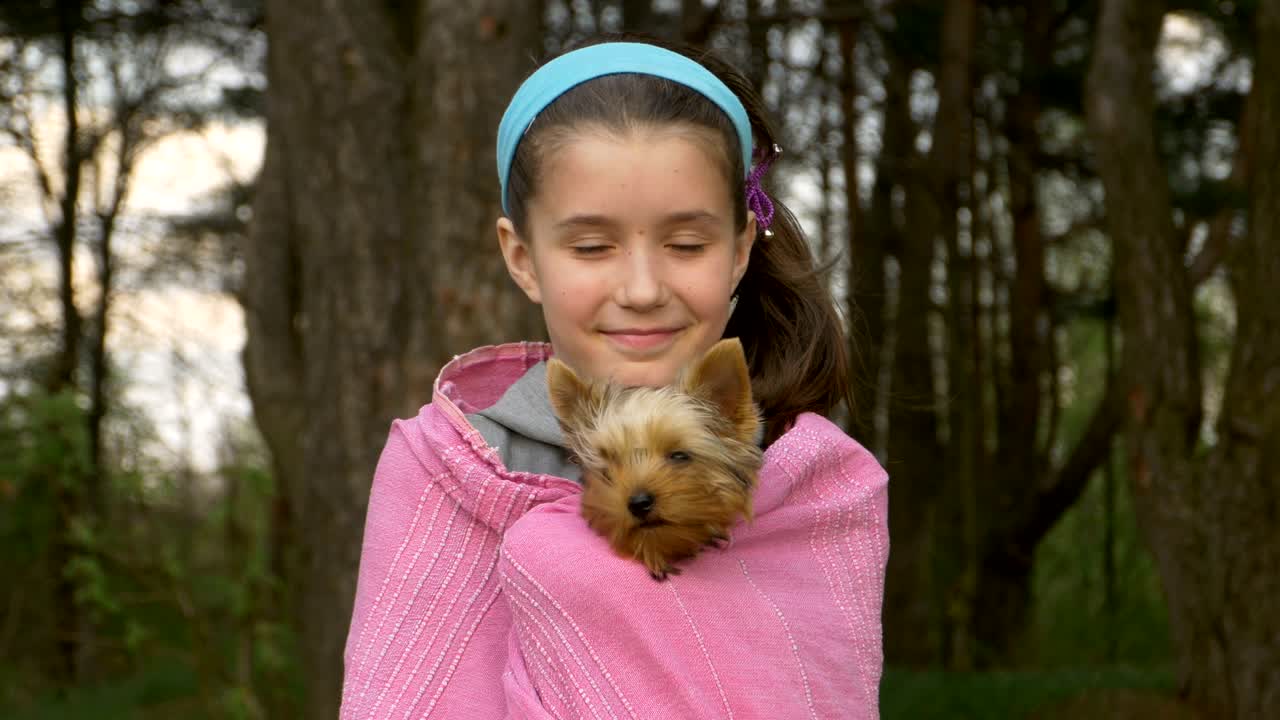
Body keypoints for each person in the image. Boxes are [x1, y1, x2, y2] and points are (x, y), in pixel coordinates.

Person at [339, 35, 888, 720]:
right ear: (523, 256)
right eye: (592, 246)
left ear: (742, 248)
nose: (641, 287)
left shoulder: (817, 487)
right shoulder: (448, 469)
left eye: (686, 245)